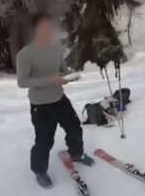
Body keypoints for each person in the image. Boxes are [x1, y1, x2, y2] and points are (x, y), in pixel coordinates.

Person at [16, 13, 94, 189]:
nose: (49, 31)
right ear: (35, 30)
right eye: (44, 27)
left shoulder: (56, 49)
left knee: (74, 127)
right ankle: (39, 171)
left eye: (50, 27)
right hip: (41, 105)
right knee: (44, 140)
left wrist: (71, 75)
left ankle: (76, 154)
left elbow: (63, 71)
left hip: (59, 98)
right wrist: (50, 80)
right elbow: (22, 82)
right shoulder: (25, 54)